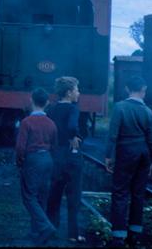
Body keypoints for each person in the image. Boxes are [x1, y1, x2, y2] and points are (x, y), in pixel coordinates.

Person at [104, 75, 152, 247]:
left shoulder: (120, 107)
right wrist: (150, 161)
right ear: (143, 90)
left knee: (120, 192)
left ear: (127, 89)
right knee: (138, 194)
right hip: (143, 154)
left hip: (125, 152)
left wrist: (108, 156)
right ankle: (135, 233)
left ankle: (118, 236)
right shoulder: (148, 111)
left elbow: (113, 135)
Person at [16, 87, 58, 245]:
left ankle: (45, 227)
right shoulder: (52, 124)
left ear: (31, 100)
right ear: (47, 103)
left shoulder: (26, 122)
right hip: (47, 159)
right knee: (42, 196)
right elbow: (55, 145)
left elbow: (20, 147)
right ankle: (36, 232)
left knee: (29, 196)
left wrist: (20, 162)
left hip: (33, 159)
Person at [47, 76, 85, 243]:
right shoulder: (73, 109)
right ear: (69, 92)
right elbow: (71, 126)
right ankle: (73, 234)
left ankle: (51, 229)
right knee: (73, 195)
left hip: (55, 155)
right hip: (71, 155)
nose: (79, 93)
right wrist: (73, 136)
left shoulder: (51, 108)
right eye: (77, 90)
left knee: (54, 194)